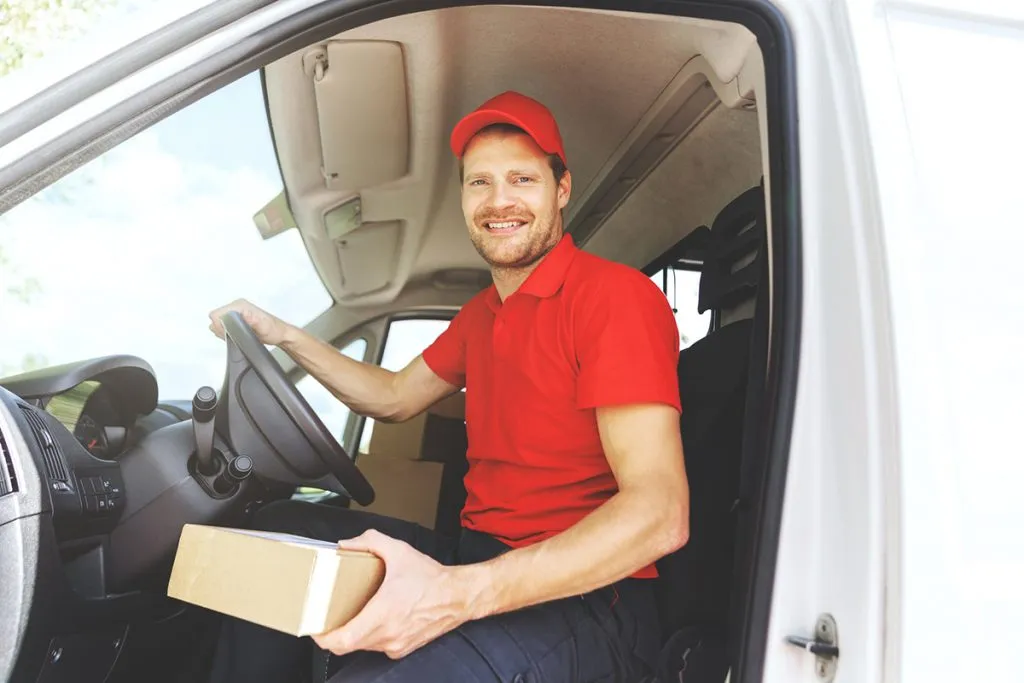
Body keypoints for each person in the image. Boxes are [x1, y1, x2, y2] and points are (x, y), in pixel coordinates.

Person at [207, 91, 689, 683]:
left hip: (589, 600)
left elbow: (660, 515)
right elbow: (392, 396)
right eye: (479, 182)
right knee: (279, 537)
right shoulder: (481, 316)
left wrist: (455, 595)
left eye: (522, 178)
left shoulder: (614, 299)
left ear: (561, 189)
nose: (499, 200)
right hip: (478, 554)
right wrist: (284, 335)